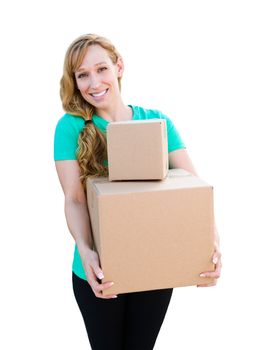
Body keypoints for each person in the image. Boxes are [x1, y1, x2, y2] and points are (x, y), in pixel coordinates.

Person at [53, 33, 222, 350]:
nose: (94, 82)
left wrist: (210, 243)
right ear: (74, 82)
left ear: (119, 66)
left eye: (101, 68)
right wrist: (86, 251)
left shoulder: (156, 122)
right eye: (83, 75)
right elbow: (74, 199)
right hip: (99, 271)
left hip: (153, 266)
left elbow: (193, 193)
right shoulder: (70, 128)